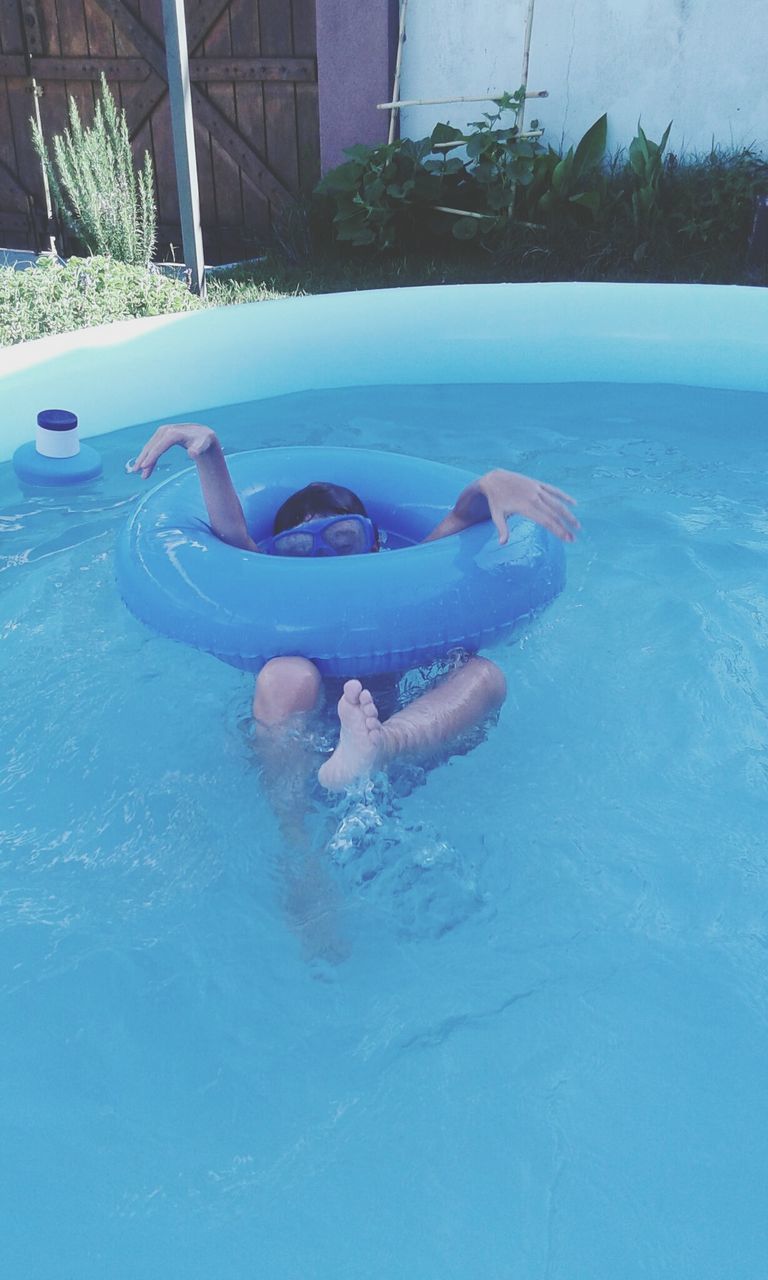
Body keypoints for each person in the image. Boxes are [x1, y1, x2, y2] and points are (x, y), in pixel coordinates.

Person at [130, 423, 579, 795]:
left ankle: (380, 747)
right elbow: (234, 544)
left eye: (344, 539)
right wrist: (210, 454)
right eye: (301, 548)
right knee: (286, 674)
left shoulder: (399, 578)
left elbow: (460, 522)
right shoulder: (278, 596)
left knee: (485, 677)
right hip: (292, 736)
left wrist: (488, 485)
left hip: (402, 729)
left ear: (376, 542)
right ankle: (296, 835)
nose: (326, 558)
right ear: (277, 557)